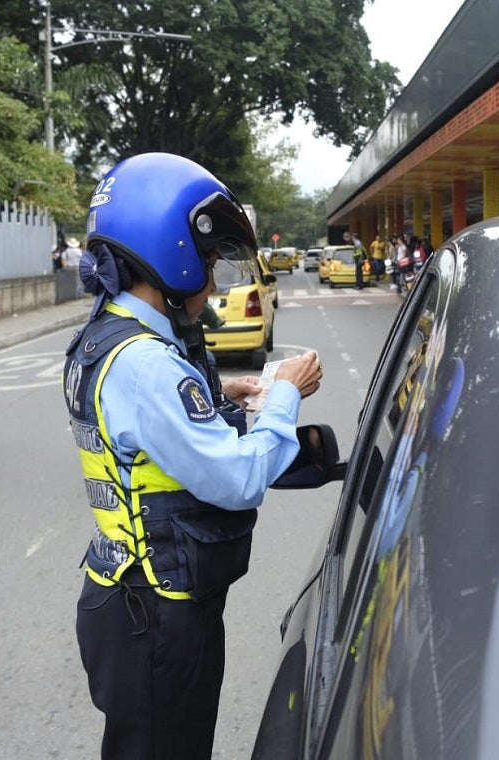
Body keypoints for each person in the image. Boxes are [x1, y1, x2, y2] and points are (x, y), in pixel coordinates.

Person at [61, 152, 324, 759]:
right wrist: (283, 394)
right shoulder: (147, 362)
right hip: (157, 614)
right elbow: (237, 479)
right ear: (169, 250)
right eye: (208, 262)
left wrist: (215, 395)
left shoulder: (106, 338)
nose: (212, 282)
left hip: (122, 596)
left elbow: (140, 437)